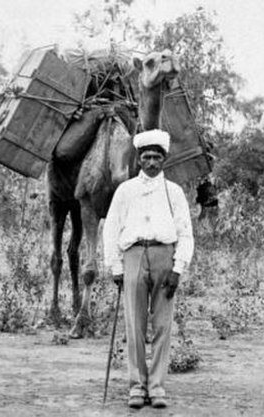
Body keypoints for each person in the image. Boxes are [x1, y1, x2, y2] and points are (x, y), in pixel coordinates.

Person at [103, 129, 194, 409]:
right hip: (132, 256)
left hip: (163, 256)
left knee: (163, 326)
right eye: (146, 157)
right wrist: (115, 265)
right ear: (139, 160)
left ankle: (156, 387)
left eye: (156, 157)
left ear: (164, 160)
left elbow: (186, 233)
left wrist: (178, 269)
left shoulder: (174, 192)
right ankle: (136, 386)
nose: (151, 162)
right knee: (134, 324)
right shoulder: (125, 190)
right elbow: (111, 228)